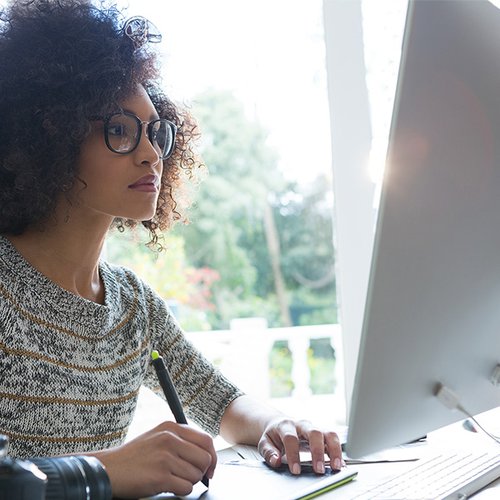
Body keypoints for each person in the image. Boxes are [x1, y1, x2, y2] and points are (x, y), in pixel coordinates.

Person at [0, 0, 343, 498]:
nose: (149, 153)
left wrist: (279, 427)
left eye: (156, 132)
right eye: (119, 130)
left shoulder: (131, 304)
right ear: (46, 136)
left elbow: (219, 400)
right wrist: (114, 469)